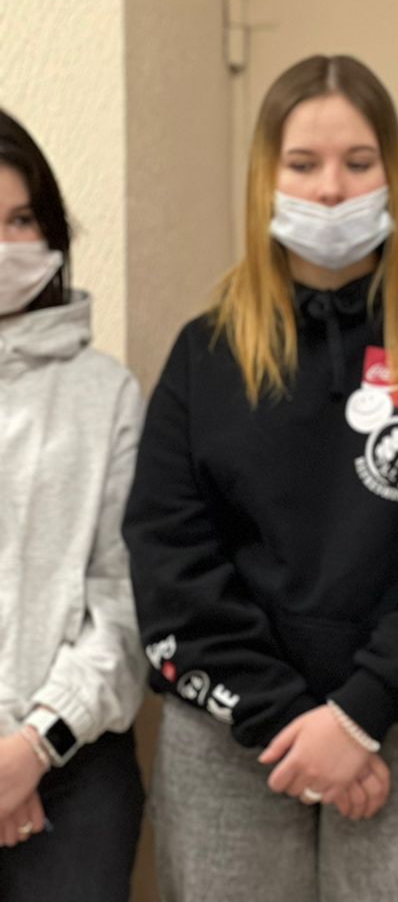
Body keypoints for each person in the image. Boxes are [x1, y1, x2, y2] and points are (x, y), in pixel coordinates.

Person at [123, 54, 398, 901]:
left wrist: (358, 715)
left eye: (357, 162)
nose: (330, 189)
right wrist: (288, 722)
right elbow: (170, 559)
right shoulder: (208, 354)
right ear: (264, 179)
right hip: (235, 738)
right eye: (303, 164)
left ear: (393, 173)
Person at [0, 110, 145, 899]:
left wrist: (30, 748)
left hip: (72, 769)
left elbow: (123, 603)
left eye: (20, 220)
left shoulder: (107, 394)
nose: (4, 244)